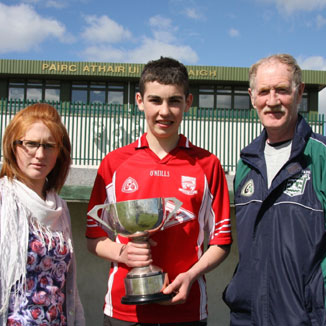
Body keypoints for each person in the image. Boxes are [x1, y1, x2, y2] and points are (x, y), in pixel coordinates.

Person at [222, 53, 326, 325]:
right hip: (251, 318)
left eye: (282, 90)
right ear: (252, 97)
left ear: (299, 93)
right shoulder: (247, 165)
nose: (272, 101)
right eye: (264, 91)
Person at [86, 57, 232, 325]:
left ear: (188, 102)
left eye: (174, 101)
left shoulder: (208, 165)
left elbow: (221, 242)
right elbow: (94, 236)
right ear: (140, 101)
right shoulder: (114, 163)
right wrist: (122, 253)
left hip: (186, 311)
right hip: (123, 312)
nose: (164, 111)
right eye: (155, 100)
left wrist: (191, 275)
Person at [0, 103, 85, 325]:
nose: (40, 154)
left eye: (49, 145)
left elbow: (69, 291)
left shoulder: (59, 208)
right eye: (30, 144)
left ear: (60, 152)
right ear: (13, 146)